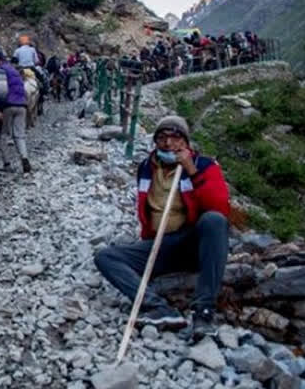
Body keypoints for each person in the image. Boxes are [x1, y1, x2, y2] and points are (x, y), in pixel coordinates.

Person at [93, 116, 230, 338]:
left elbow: (219, 206)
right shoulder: (147, 167)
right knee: (105, 257)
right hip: (160, 245)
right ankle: (158, 307)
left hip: (191, 242)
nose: (168, 144)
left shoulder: (204, 165)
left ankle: (203, 311)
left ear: (185, 142)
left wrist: (191, 170)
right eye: (162, 138)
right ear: (155, 141)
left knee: (214, 220)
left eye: (175, 138)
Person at [0, 51, 30, 173]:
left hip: (8, 106)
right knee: (19, 135)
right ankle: (24, 158)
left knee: (3, 135)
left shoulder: (1, 71)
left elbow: (1, 91)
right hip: (22, 105)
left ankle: (7, 164)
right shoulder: (14, 71)